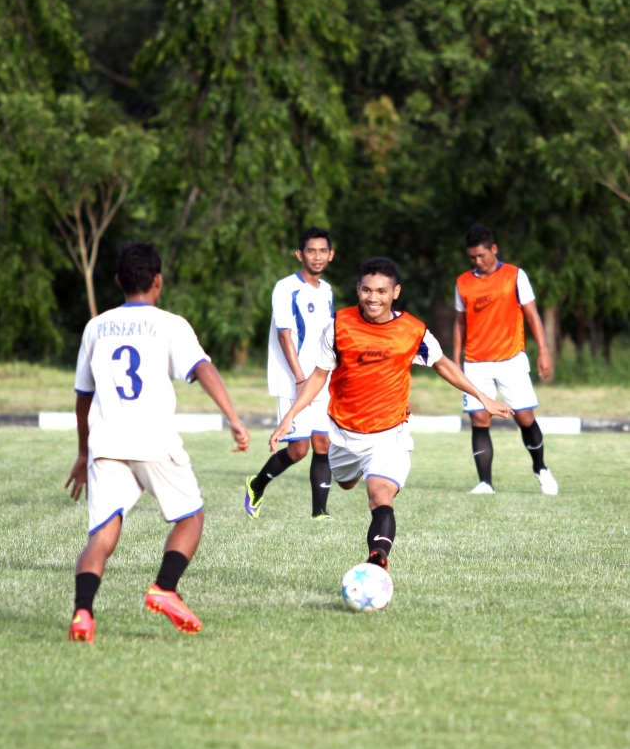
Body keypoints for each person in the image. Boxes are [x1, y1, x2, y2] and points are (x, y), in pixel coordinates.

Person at [269, 257, 512, 570]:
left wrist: (482, 397)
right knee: (345, 483)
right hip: (343, 433)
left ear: (395, 292)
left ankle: (377, 560)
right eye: (367, 290)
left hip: (390, 433)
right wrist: (290, 416)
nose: (374, 298)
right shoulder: (339, 326)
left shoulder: (412, 331)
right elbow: (318, 376)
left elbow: (442, 364)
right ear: (358, 289)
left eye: (382, 291)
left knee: (380, 494)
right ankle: (354, 478)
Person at [65, 242, 250, 643]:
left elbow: (83, 397)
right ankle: (165, 587)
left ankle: (82, 613)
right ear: (158, 281)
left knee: (102, 536)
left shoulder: (95, 327)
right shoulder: (170, 324)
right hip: (153, 440)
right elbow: (202, 368)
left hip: (106, 442)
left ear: (118, 281)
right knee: (191, 516)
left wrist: (83, 452)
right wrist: (233, 418)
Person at [453, 223, 559, 495]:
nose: (478, 261)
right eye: (472, 257)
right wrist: (455, 361)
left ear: (494, 249)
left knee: (524, 418)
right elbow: (460, 323)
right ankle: (485, 483)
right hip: (475, 363)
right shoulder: (463, 282)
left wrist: (544, 352)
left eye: (482, 256)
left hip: (511, 359)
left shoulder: (515, 275)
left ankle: (541, 469)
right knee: (479, 420)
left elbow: (532, 315)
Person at [245, 225, 335, 521]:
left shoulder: (329, 291)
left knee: (323, 442)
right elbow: (285, 335)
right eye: (311, 251)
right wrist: (299, 377)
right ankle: (256, 485)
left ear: (331, 255)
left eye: (323, 251)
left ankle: (319, 513)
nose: (317, 256)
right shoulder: (286, 288)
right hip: (293, 379)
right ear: (300, 254)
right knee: (298, 449)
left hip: (322, 377)